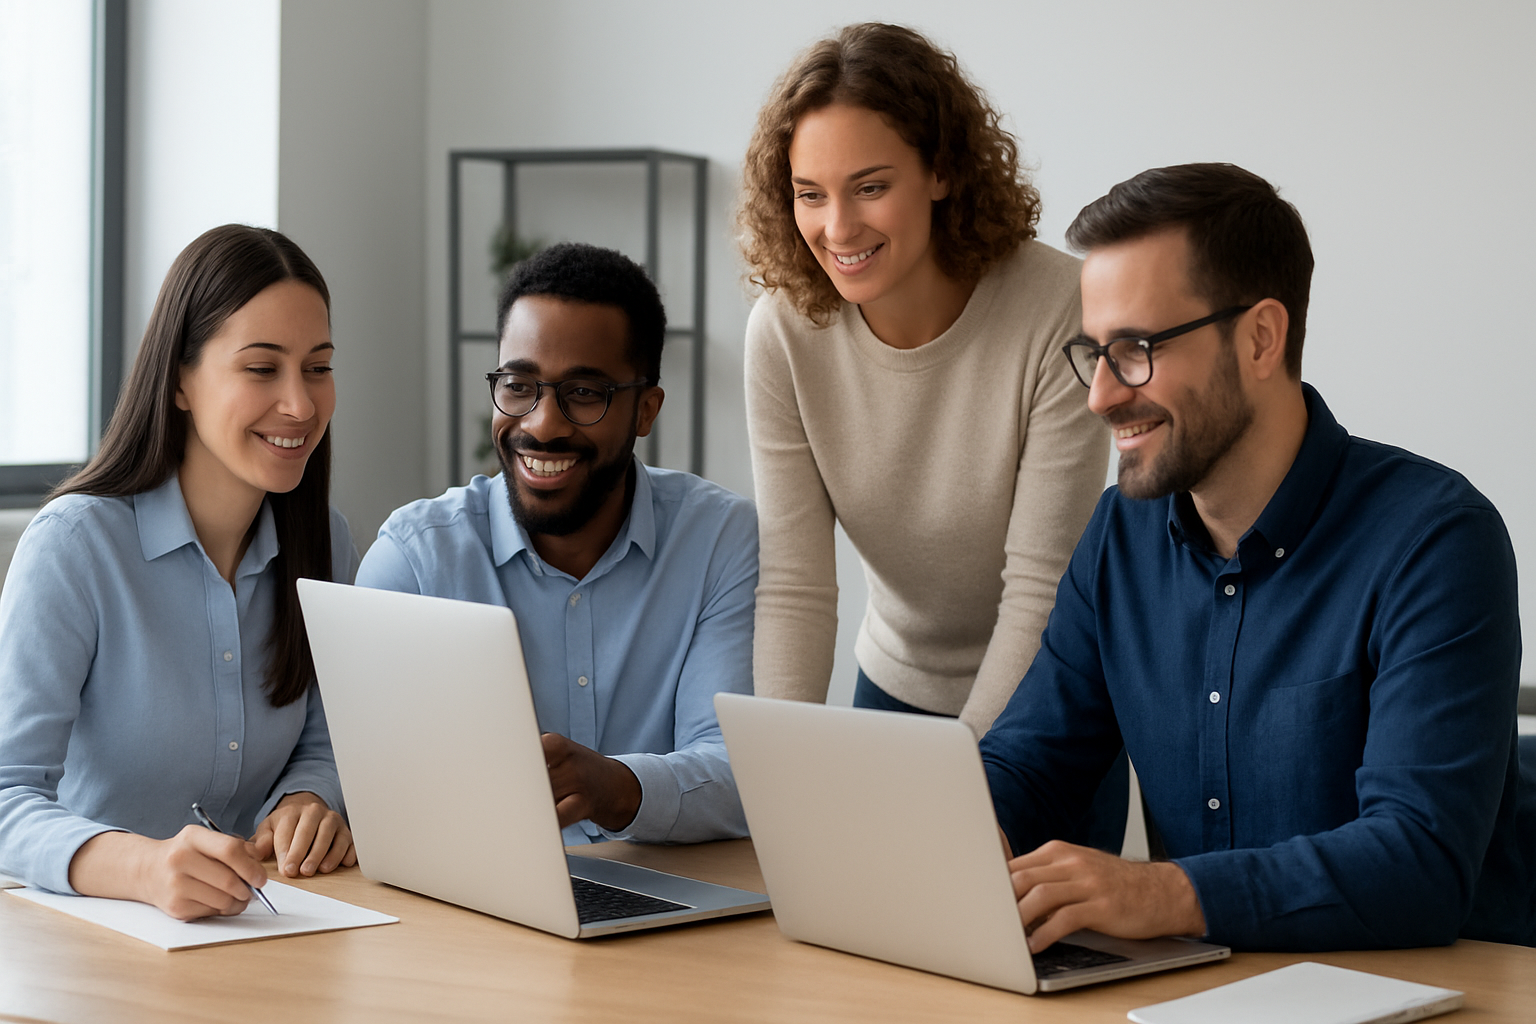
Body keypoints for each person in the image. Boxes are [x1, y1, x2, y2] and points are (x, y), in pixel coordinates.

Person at [980, 162, 1535, 952]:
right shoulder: (1120, 538)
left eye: (1135, 349)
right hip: (1204, 990)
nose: (1100, 394)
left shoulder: (1436, 542)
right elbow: (1032, 765)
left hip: (1430, 990)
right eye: (1094, 352)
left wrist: (1164, 892)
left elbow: (1418, 860)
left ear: (1260, 339)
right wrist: (957, 831)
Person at [739, 25, 1109, 735]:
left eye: (870, 187)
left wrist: (958, 778)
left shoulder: (1061, 307)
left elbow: (1039, 592)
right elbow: (795, 586)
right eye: (810, 194)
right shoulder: (783, 332)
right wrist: (780, 766)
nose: (838, 228)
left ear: (941, 171)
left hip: (1050, 694)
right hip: (895, 683)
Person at [0, 225, 359, 921]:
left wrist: (307, 798)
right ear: (180, 382)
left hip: (263, 923)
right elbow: (7, 793)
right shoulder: (76, 546)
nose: (301, 404)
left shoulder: (327, 542)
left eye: (318, 367)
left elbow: (324, 738)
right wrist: (142, 867)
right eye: (262, 369)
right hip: (87, 938)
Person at [356, 242, 755, 846]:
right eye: (519, 385)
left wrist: (617, 788)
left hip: (663, 891)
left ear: (646, 410)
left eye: (585, 393)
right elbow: (372, 784)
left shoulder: (719, 541)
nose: (542, 425)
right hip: (478, 893)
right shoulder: (413, 563)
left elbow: (740, 774)